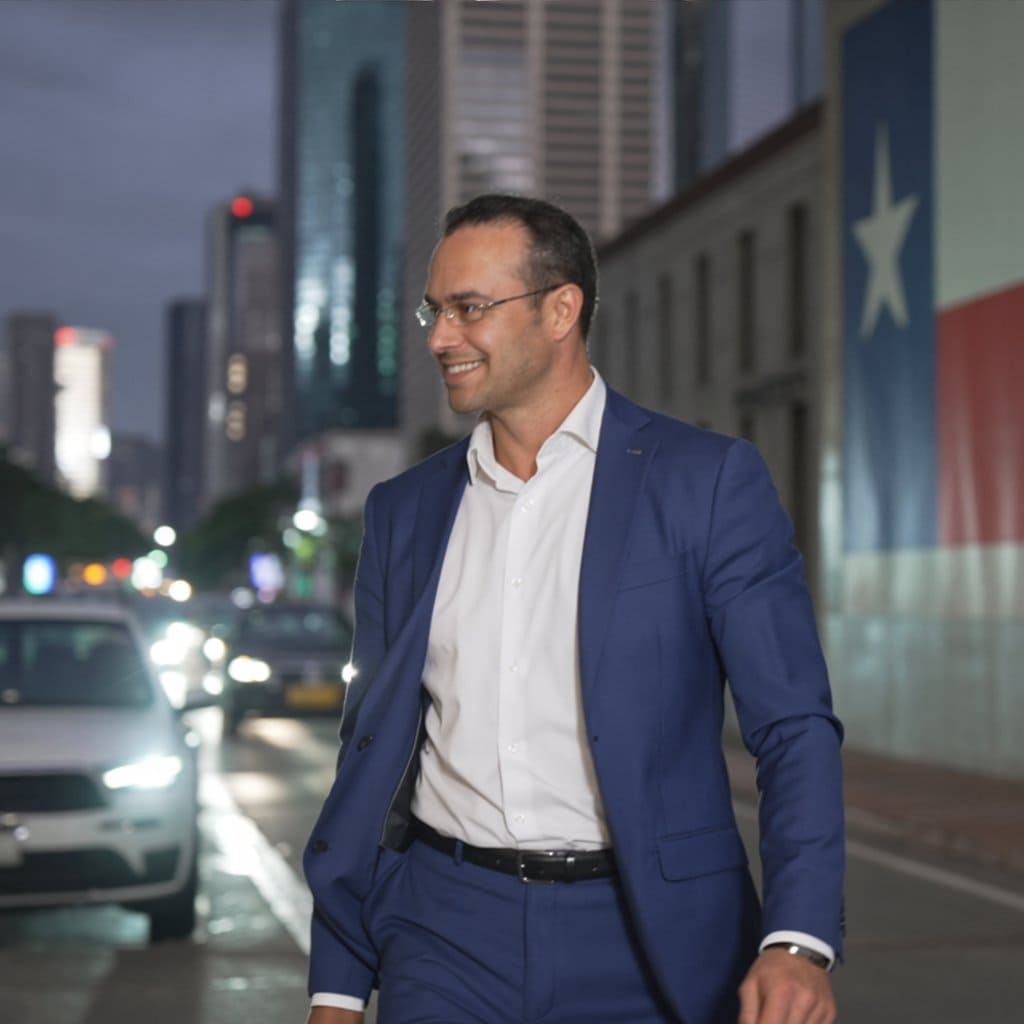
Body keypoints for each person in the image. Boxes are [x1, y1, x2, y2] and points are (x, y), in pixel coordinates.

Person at [304, 194, 844, 1024]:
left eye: (469, 309)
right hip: (442, 932)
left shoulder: (705, 483)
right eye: (433, 311)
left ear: (562, 309)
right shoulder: (402, 513)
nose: (440, 337)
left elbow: (793, 726)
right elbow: (371, 750)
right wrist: (340, 981)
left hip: (649, 938)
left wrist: (798, 939)